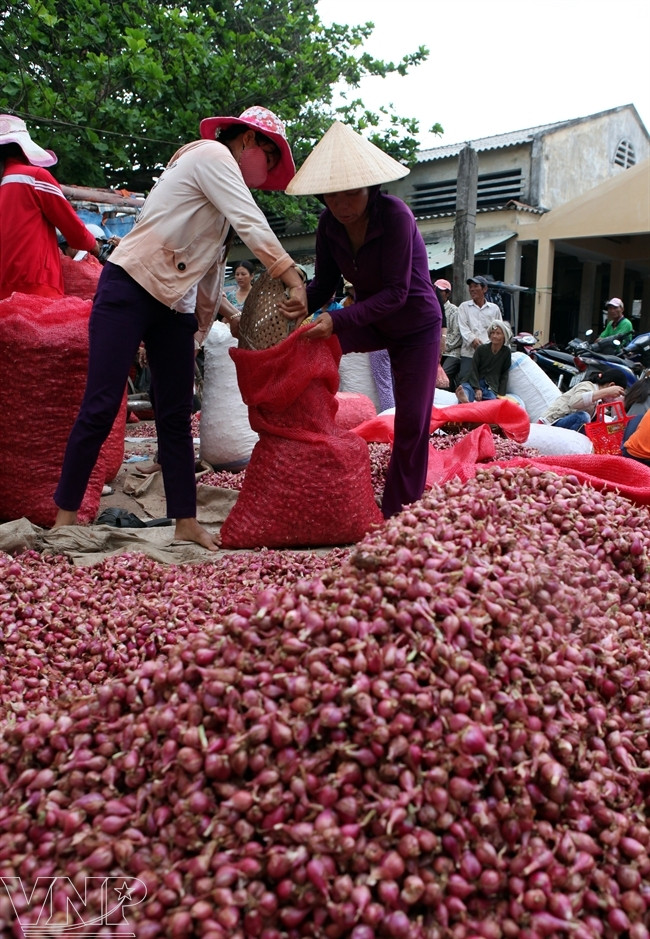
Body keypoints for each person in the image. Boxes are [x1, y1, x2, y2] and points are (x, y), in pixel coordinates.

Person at [53, 105, 307, 551]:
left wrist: (199, 332)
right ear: (248, 141)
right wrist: (290, 275)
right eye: (267, 159)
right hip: (129, 285)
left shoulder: (223, 199)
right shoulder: (211, 155)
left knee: (175, 415)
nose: (264, 172)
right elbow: (253, 221)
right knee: (100, 403)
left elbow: (208, 278)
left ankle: (185, 521)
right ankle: (64, 516)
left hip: (173, 307)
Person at [281, 120, 442, 519]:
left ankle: (399, 511)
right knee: (309, 345)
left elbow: (397, 293)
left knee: (411, 421)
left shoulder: (396, 217)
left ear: (371, 190)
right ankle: (309, 453)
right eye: (333, 195)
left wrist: (337, 321)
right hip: (371, 317)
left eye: (353, 192)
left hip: (416, 324)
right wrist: (301, 303)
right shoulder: (327, 226)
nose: (343, 203)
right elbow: (326, 285)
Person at [0, 114, 100, 300]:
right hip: (35, 286)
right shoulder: (35, 177)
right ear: (23, 148)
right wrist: (94, 245)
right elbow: (75, 232)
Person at [539, 367, 627, 432]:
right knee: (583, 417)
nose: (616, 398)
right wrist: (606, 392)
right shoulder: (587, 386)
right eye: (617, 394)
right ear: (611, 386)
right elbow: (574, 402)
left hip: (563, 425)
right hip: (552, 423)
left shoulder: (598, 402)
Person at [456, 275, 503, 383]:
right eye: (470, 287)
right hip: (469, 352)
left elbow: (498, 328)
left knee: (486, 382)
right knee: (464, 380)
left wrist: (490, 345)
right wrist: (473, 340)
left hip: (489, 352)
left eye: (475, 286)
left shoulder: (494, 309)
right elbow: (463, 327)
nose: (472, 289)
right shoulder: (464, 307)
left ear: (484, 289)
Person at [456, 319, 512, 402]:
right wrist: (477, 388)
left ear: (504, 336)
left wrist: (501, 395)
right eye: (492, 333)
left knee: (491, 401)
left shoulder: (506, 352)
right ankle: (465, 400)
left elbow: (504, 375)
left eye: (498, 333)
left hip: (490, 386)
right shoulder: (481, 349)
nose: (494, 336)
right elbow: (473, 369)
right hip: (473, 382)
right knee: (466, 389)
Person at [436, 278, 461, 389]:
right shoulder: (432, 308)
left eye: (440, 291)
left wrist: (442, 346)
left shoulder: (454, 311)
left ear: (447, 293)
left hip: (451, 352)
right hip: (435, 350)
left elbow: (457, 335)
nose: (436, 293)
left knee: (442, 377)